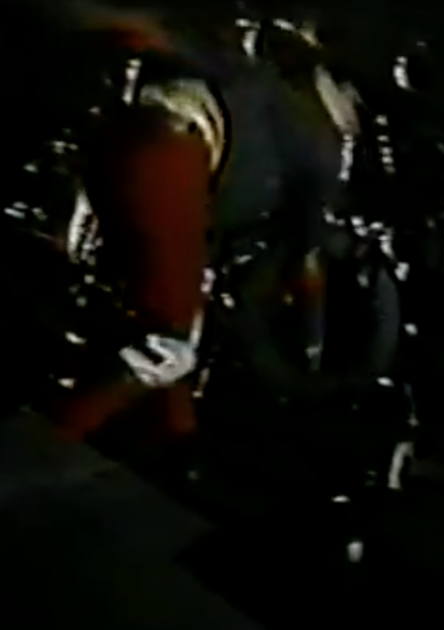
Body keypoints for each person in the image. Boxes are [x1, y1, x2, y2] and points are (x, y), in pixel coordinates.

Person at [41, 1, 334, 446]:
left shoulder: (246, 78)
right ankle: (38, 449)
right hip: (176, 151)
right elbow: (306, 268)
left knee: (133, 315)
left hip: (126, 134)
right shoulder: (316, 142)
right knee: (167, 347)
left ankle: (172, 438)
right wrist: (312, 345)